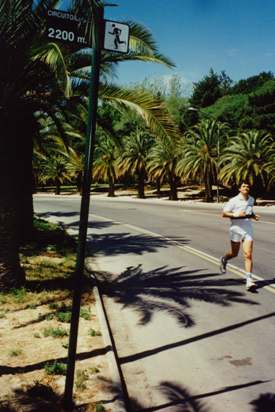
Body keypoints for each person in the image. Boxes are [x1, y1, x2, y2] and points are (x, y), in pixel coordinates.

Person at [220, 182, 260, 291]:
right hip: (235, 229)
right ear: (239, 189)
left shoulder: (251, 199)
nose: (246, 188)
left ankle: (249, 280)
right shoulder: (233, 201)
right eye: (243, 186)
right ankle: (224, 258)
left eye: (247, 186)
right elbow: (224, 213)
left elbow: (249, 212)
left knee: (248, 254)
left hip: (247, 229)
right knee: (234, 253)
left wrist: (253, 216)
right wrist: (237, 215)